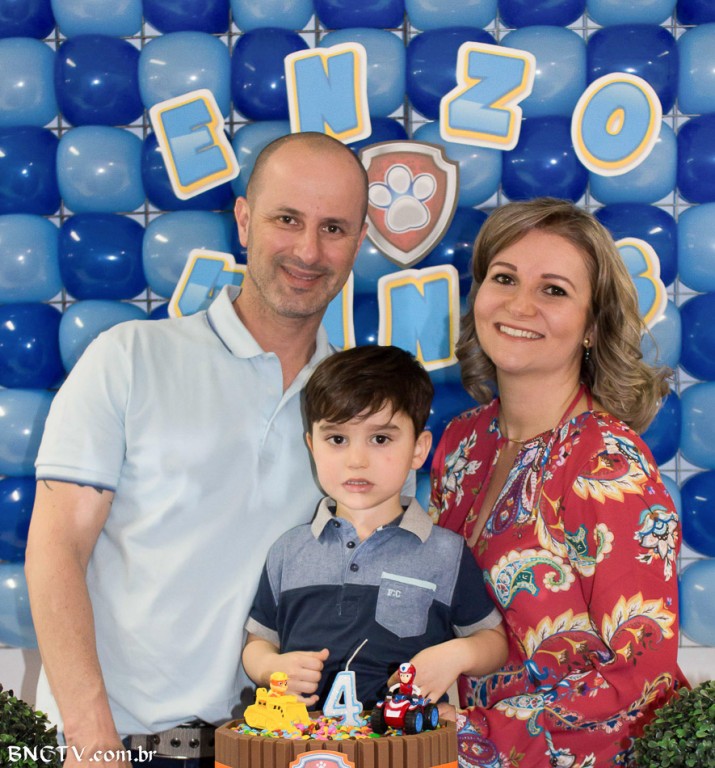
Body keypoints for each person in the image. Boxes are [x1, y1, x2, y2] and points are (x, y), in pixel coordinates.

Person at [24, 131, 371, 768]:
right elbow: (55, 550)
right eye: (287, 219)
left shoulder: (358, 413)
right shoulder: (129, 357)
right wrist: (92, 742)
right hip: (114, 745)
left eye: (334, 228)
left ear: (359, 240)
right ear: (244, 220)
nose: (308, 250)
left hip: (266, 749)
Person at [428, 198, 688, 768]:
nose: (520, 305)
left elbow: (640, 679)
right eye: (504, 278)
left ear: (592, 326)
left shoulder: (607, 463)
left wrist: (471, 734)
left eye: (553, 290)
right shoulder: (461, 443)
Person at [242, 345, 508, 710]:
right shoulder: (288, 551)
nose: (357, 460)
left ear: (418, 449)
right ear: (312, 446)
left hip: (406, 738)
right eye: (337, 439)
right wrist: (270, 668)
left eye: (380, 439)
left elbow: (493, 641)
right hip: (303, 740)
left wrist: (458, 654)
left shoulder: (446, 553)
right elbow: (258, 642)